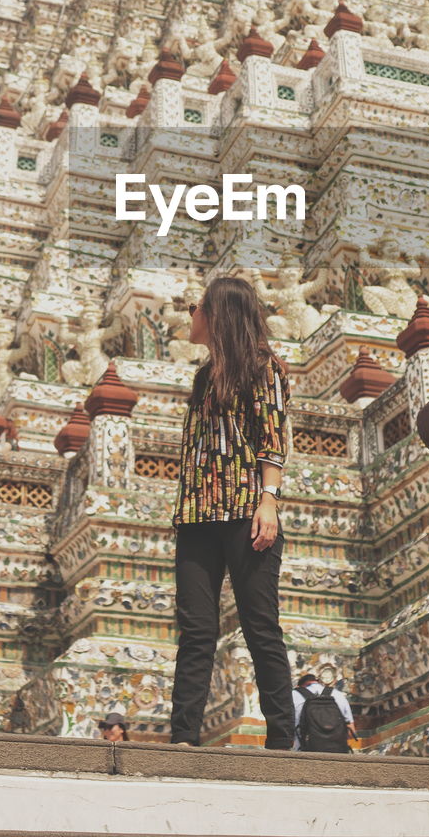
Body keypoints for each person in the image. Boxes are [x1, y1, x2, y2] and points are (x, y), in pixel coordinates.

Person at [169, 276, 295, 750]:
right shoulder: (204, 378)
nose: (190, 315)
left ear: (217, 314)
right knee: (196, 630)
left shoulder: (265, 368)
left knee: (260, 625)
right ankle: (183, 737)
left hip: (247, 511)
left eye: (195, 307)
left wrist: (269, 502)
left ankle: (282, 738)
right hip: (199, 516)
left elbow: (272, 440)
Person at [293, 674, 356, 753]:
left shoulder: (293, 695)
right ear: (319, 682)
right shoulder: (339, 695)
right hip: (337, 755)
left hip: (305, 755)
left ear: (300, 686)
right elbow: (351, 732)